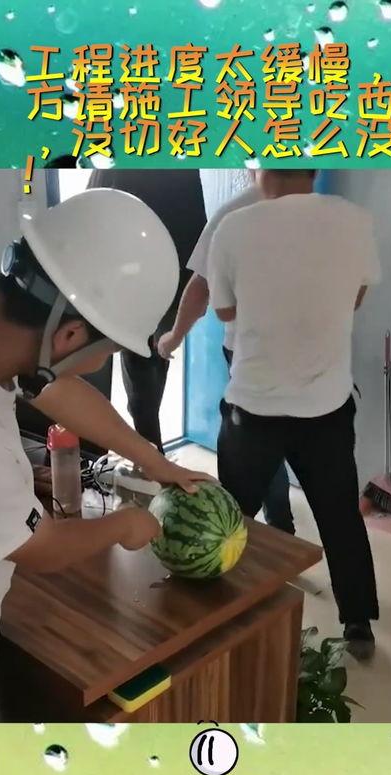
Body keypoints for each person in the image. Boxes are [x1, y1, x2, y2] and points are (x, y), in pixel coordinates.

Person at [0, 187, 212, 721]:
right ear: (68, 334)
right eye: (103, 353)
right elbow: (40, 547)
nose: (97, 367)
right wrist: (123, 526)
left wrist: (152, 459)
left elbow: (57, 389)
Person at [207, 169, 381, 660]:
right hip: (326, 404)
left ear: (259, 168)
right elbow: (357, 296)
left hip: (254, 407)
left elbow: (224, 312)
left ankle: (216, 617)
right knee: (340, 514)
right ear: (314, 168)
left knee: (230, 520)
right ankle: (358, 622)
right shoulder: (356, 220)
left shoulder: (234, 226)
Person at [157, 175, 295, 535]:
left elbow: (200, 288)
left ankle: (243, 524)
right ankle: (278, 526)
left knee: (244, 442)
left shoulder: (235, 213)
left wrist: (173, 337)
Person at [87, 169, 207, 452]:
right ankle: (149, 455)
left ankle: (145, 458)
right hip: (167, 282)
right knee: (148, 374)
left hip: (132, 283)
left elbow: (92, 208)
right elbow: (196, 226)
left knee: (134, 378)